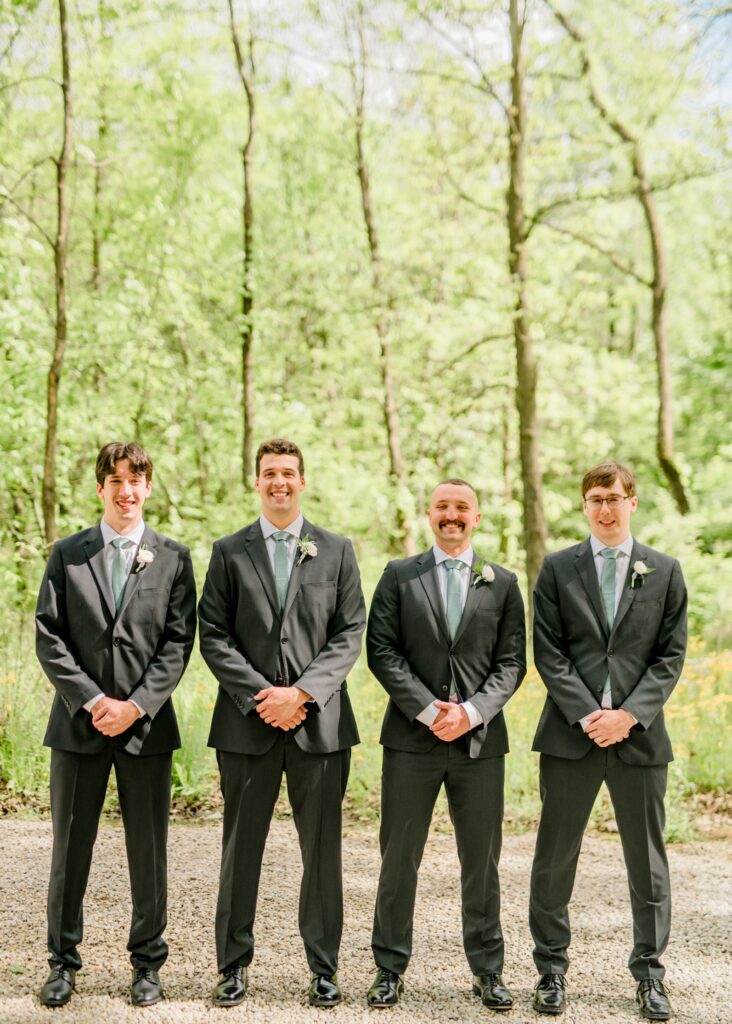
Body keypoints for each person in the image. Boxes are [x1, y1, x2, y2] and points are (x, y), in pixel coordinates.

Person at [198, 437, 365, 1008]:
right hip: (247, 726)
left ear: (302, 481)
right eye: (269, 472)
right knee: (240, 848)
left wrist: (303, 694)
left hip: (319, 727)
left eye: (288, 472)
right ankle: (232, 965)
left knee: (321, 852)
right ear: (257, 481)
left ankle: (323, 967)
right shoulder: (228, 551)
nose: (279, 482)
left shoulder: (336, 550)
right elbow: (213, 635)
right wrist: (261, 696)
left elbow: (349, 632)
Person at [35, 441, 197, 1008]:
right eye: (115, 481)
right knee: (69, 850)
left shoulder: (173, 557)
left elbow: (178, 642)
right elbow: (48, 635)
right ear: (100, 487)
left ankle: (147, 963)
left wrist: (135, 705)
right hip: (78, 727)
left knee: (148, 852)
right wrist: (90, 700)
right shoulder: (68, 554)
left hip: (145, 730)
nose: (126, 491)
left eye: (135, 481)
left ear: (148, 487)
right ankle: (62, 962)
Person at [529, 461, 687, 1020]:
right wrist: (589, 714)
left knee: (647, 861)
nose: (605, 508)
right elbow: (548, 651)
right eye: (595, 499)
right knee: (554, 857)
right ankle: (550, 969)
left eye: (614, 498)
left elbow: (670, 656)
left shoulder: (665, 570)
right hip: (570, 736)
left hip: (639, 739)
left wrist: (629, 716)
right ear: (584, 505)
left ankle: (649, 974)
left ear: (632, 503)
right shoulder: (558, 568)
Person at [364, 478, 526, 1010]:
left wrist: (471, 713)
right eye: (442, 506)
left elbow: (511, 663)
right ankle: (389, 968)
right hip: (412, 740)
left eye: (461, 508)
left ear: (476, 517)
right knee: (398, 858)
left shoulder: (503, 583)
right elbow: (382, 650)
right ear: (429, 514)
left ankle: (488, 970)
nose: (451, 515)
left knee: (482, 861)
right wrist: (430, 710)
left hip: (480, 743)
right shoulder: (399, 575)